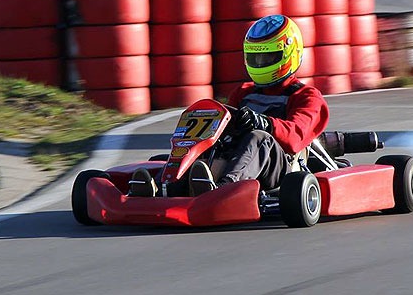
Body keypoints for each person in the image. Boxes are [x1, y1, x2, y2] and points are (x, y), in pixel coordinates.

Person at [128, 14, 329, 197]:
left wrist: (264, 123)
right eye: (255, 58)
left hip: (279, 166)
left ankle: (225, 190)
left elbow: (296, 136)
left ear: (289, 54)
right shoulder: (244, 92)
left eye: (267, 58)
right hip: (236, 156)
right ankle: (164, 185)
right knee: (201, 144)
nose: (259, 63)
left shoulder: (306, 96)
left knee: (258, 138)